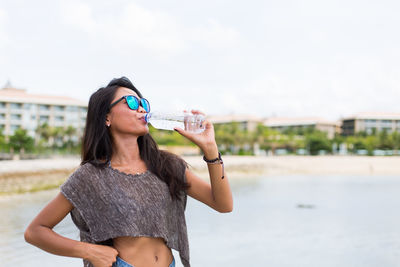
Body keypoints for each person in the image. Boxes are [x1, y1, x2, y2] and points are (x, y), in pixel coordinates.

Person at [24, 77, 233, 267]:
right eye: (132, 103)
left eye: (143, 103)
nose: (141, 109)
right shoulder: (90, 176)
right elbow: (35, 231)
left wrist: (211, 149)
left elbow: (223, 204)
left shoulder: (166, 165)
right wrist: (90, 251)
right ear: (107, 117)